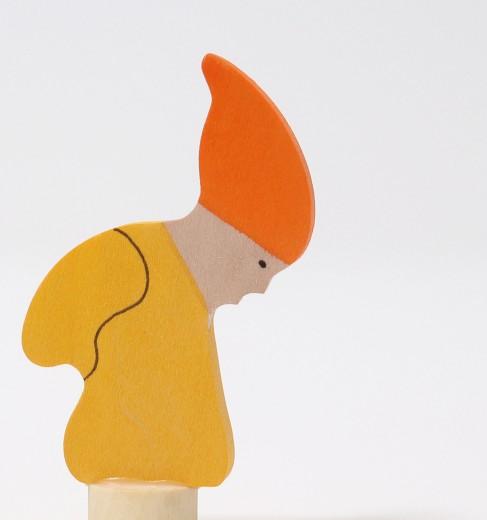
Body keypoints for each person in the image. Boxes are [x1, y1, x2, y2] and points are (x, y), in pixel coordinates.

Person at [22, 54, 314, 489]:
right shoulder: (135, 261)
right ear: (227, 238)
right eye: (261, 265)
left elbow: (208, 455)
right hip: (102, 446)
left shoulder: (191, 309)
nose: (261, 287)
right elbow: (41, 339)